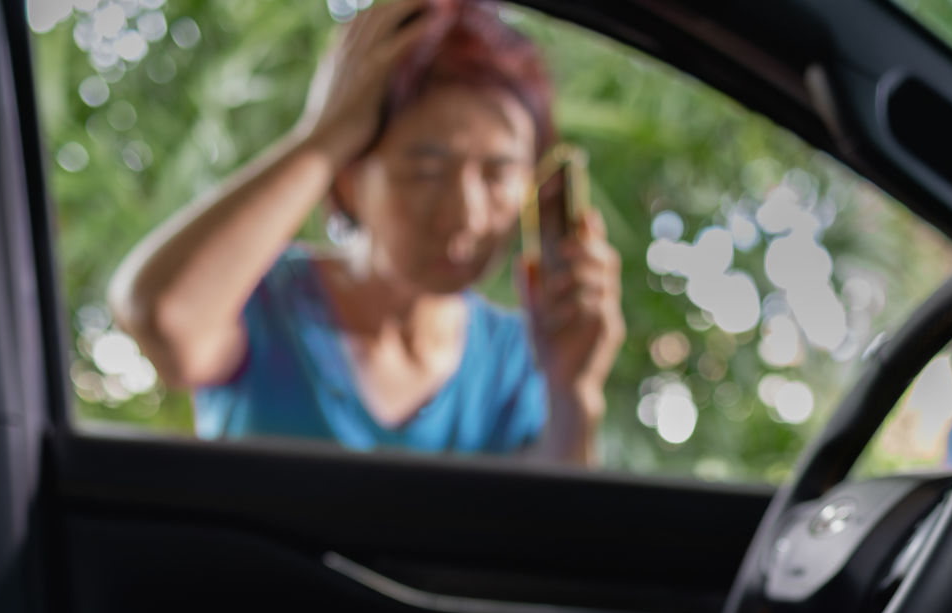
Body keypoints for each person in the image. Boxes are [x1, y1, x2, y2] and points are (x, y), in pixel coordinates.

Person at [110, 0, 624, 464]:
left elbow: (542, 535)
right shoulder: (260, 301)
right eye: (425, 172)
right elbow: (163, 317)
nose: (466, 214)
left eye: (497, 175)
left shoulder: (519, 356)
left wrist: (575, 390)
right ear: (351, 178)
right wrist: (322, 133)